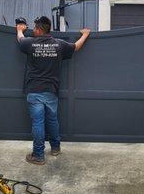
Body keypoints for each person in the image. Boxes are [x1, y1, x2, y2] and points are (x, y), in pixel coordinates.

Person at [17, 16, 90, 165]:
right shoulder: (59, 44)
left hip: (34, 90)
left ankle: (38, 155)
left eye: (34, 28)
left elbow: (20, 39)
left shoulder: (30, 43)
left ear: (38, 29)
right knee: (52, 120)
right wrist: (85, 34)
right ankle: (55, 148)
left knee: (38, 123)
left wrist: (19, 29)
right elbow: (75, 46)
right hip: (51, 90)